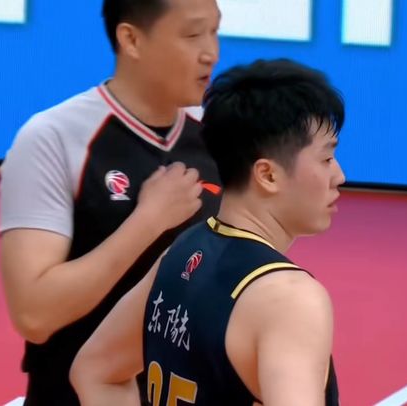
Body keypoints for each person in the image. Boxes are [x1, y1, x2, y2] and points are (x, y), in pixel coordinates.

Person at [70, 58, 346, 406]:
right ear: (268, 175)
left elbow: (95, 370)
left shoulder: (180, 252)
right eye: (326, 159)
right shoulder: (290, 300)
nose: (339, 175)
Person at [0, 0, 222, 404]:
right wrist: (147, 221)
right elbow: (34, 314)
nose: (211, 52)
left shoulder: (219, 138)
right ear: (131, 39)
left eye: (214, 31)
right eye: (192, 34)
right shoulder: (52, 139)